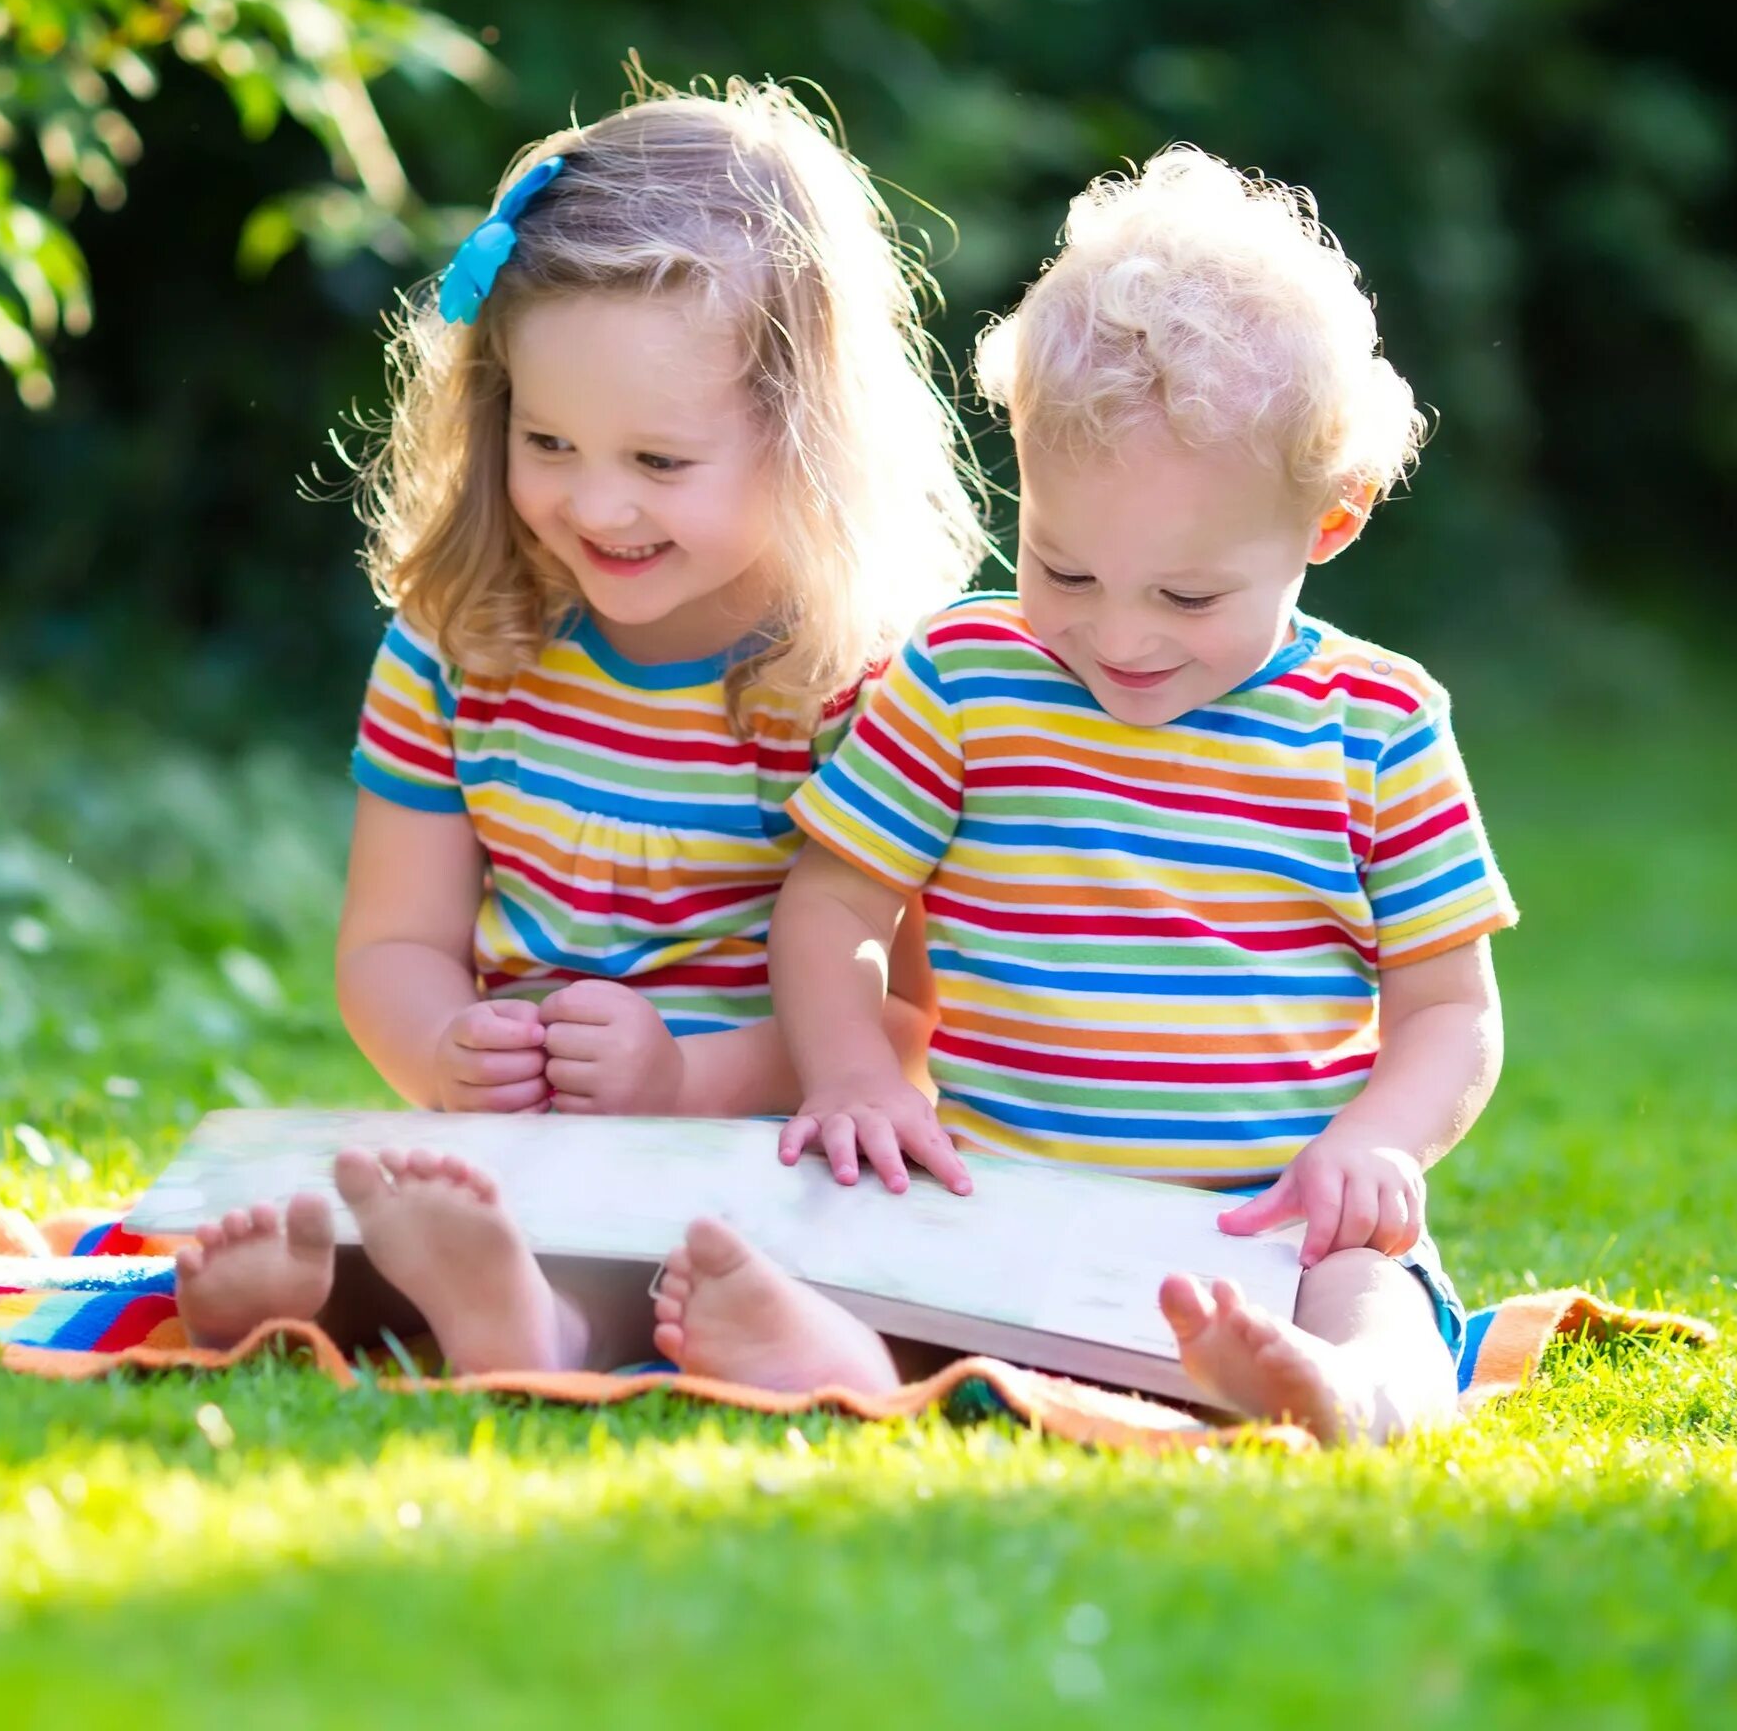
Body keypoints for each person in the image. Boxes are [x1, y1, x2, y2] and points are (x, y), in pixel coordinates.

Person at [647, 146, 1517, 1443]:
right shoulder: (965, 681)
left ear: (1325, 526)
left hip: (1274, 1218)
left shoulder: (1376, 727)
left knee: (1370, 1293)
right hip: (1002, 1217)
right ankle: (832, 1353)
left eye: (1187, 596)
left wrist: (1380, 1145)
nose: (1119, 637)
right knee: (871, 1235)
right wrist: (854, 1075)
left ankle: (1343, 1393)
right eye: (1063, 567)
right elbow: (833, 911)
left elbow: (1451, 1010)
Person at [168, 78, 985, 1361]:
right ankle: (387, 1287)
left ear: (806, 435)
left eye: (660, 461)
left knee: (716, 1237)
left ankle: (536, 1322)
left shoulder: (861, 688)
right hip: (523, 1154)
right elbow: (392, 940)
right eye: (549, 442)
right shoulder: (463, 642)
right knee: (440, 1192)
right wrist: (446, 1044)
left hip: (758, 1153)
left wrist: (683, 1083)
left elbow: (903, 1026)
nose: (599, 505)